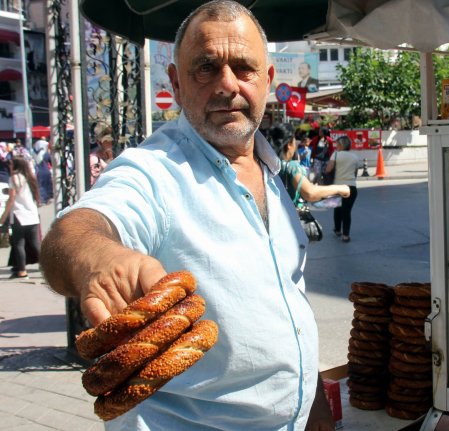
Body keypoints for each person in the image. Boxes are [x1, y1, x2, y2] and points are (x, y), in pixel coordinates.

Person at [39, 2, 334, 430]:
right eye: (206, 68)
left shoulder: (270, 170)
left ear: (267, 80)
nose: (227, 84)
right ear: (176, 84)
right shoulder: (156, 170)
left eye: (244, 68)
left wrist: (313, 399)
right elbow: (76, 230)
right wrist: (98, 260)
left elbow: (289, 295)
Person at [271, 123, 349, 205]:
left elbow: (330, 149)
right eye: (294, 141)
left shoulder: (268, 163)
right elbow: (310, 193)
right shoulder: (291, 167)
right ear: (289, 144)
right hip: (288, 213)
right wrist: (340, 188)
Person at [0, 157, 40, 279]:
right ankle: (50, 266)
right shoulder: (30, 177)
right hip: (32, 215)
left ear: (16, 165)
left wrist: (3, 218)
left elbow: (12, 199)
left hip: (19, 215)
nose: (9, 167)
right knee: (35, 243)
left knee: (19, 244)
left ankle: (22, 271)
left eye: (11, 164)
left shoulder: (14, 178)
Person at [324, 135, 359, 242]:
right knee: (347, 211)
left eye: (337, 144)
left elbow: (328, 169)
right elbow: (355, 173)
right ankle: (346, 235)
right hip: (351, 187)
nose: (336, 146)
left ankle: (338, 229)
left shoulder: (336, 155)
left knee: (337, 209)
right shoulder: (355, 157)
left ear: (341, 145)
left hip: (338, 186)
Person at [33, 137, 53, 204]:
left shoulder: (34, 154)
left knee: (40, 185)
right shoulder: (45, 153)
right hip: (46, 170)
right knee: (46, 185)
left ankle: (41, 199)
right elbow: (51, 161)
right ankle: (46, 198)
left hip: (38, 171)